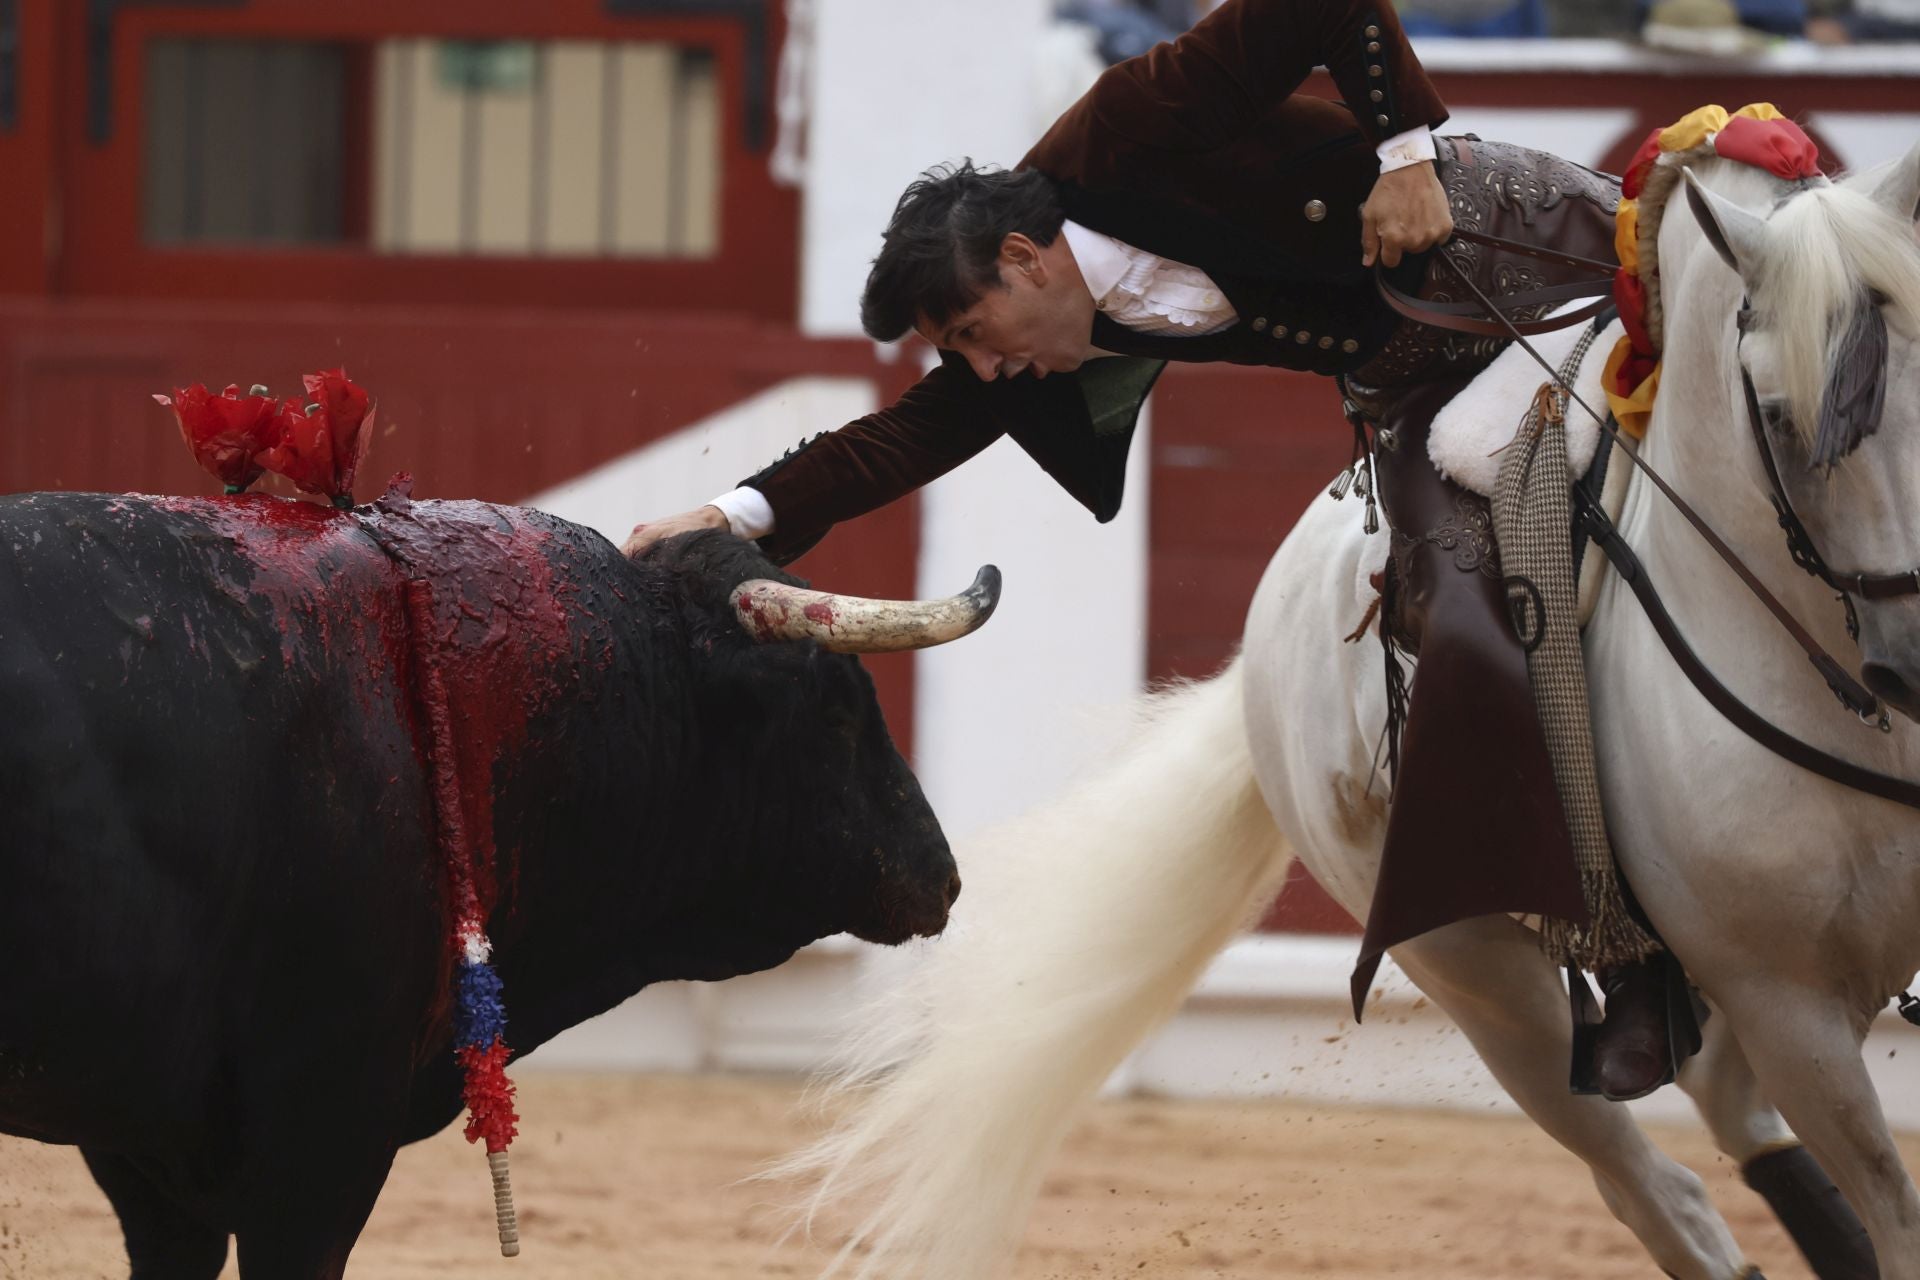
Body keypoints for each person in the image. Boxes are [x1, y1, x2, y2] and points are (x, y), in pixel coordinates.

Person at [627, 0, 1677, 1101]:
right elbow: (901, 436)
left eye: (973, 337)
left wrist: (1406, 154)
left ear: (1025, 260)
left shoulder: (1130, 127)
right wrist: (730, 516)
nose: (983, 370)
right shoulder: (1043, 333)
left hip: (1540, 269)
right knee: (1448, 613)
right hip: (1427, 383)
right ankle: (1624, 947)